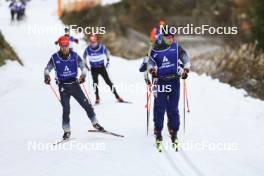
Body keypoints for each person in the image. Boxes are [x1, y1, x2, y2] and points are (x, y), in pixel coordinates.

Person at [44, 36, 104, 140]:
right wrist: (46, 75)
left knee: (87, 105)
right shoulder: (55, 57)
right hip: (63, 86)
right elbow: (47, 68)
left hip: (74, 85)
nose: (64, 48)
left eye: (66, 45)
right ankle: (67, 131)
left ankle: (95, 123)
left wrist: (83, 75)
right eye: (62, 46)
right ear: (59, 46)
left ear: (69, 45)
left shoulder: (75, 56)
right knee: (66, 109)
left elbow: (83, 67)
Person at [147, 29, 190, 150]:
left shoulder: (176, 47)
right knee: (160, 107)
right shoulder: (156, 49)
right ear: (162, 38)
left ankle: (173, 129)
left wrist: (186, 69)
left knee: (173, 108)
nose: (171, 39)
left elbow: (184, 57)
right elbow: (150, 62)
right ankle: (158, 130)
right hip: (161, 81)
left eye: (172, 37)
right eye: (168, 37)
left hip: (174, 81)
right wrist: (152, 70)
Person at [83, 34, 124, 104]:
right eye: (91, 42)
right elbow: (84, 57)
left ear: (96, 41)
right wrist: (86, 65)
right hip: (93, 68)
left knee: (109, 82)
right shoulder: (87, 49)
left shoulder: (102, 47)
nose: (93, 44)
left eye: (94, 42)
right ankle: (97, 98)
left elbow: (107, 53)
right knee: (95, 83)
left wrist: (108, 62)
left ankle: (117, 96)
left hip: (101, 68)